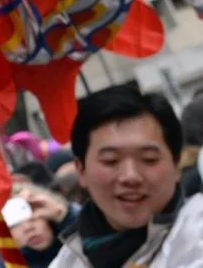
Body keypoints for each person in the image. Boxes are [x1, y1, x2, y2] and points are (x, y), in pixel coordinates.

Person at [49, 86, 203, 267]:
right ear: (81, 170)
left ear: (176, 164)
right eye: (111, 161)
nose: (131, 176)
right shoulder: (66, 262)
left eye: (149, 159)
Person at [0, 184, 79, 268]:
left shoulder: (76, 237)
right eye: (15, 224)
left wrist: (65, 216)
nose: (28, 228)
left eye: (33, 217)